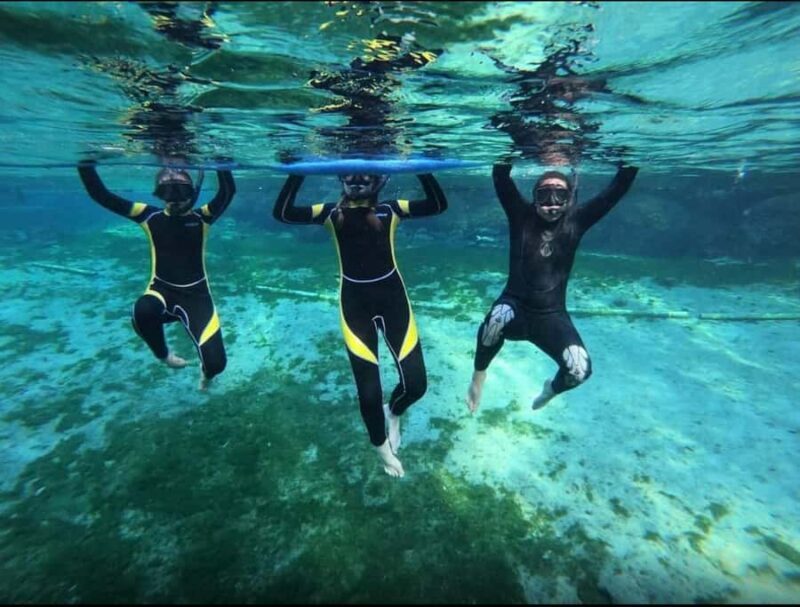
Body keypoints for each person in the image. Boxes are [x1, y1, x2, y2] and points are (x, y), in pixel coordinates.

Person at [273, 171, 447, 478]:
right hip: (355, 308)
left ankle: (393, 412)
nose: (356, 180)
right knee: (368, 394)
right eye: (349, 174)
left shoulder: (392, 209)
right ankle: (381, 450)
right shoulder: (330, 213)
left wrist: (422, 166)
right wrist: (298, 172)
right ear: (340, 179)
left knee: (416, 385)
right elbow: (283, 213)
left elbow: (437, 205)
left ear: (379, 180)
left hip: (394, 303)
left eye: (364, 175)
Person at [466, 161, 638, 413]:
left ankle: (551, 390)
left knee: (579, 371)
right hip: (514, 305)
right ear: (534, 198)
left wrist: (629, 162)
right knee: (497, 318)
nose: (552, 203)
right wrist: (517, 142)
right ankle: (478, 375)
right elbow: (500, 175)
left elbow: (618, 188)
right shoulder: (520, 215)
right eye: (544, 195)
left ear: (569, 199)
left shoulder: (577, 221)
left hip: (551, 317)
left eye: (560, 195)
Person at [77, 160, 236, 390]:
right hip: (161, 292)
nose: (174, 199)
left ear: (192, 192)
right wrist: (85, 163)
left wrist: (223, 162)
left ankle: (206, 376)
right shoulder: (148, 216)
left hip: (197, 298)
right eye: (167, 192)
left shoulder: (203, 217)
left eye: (180, 191)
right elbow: (101, 194)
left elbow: (227, 193)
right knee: (143, 309)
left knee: (216, 364)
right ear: (159, 194)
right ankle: (164, 356)